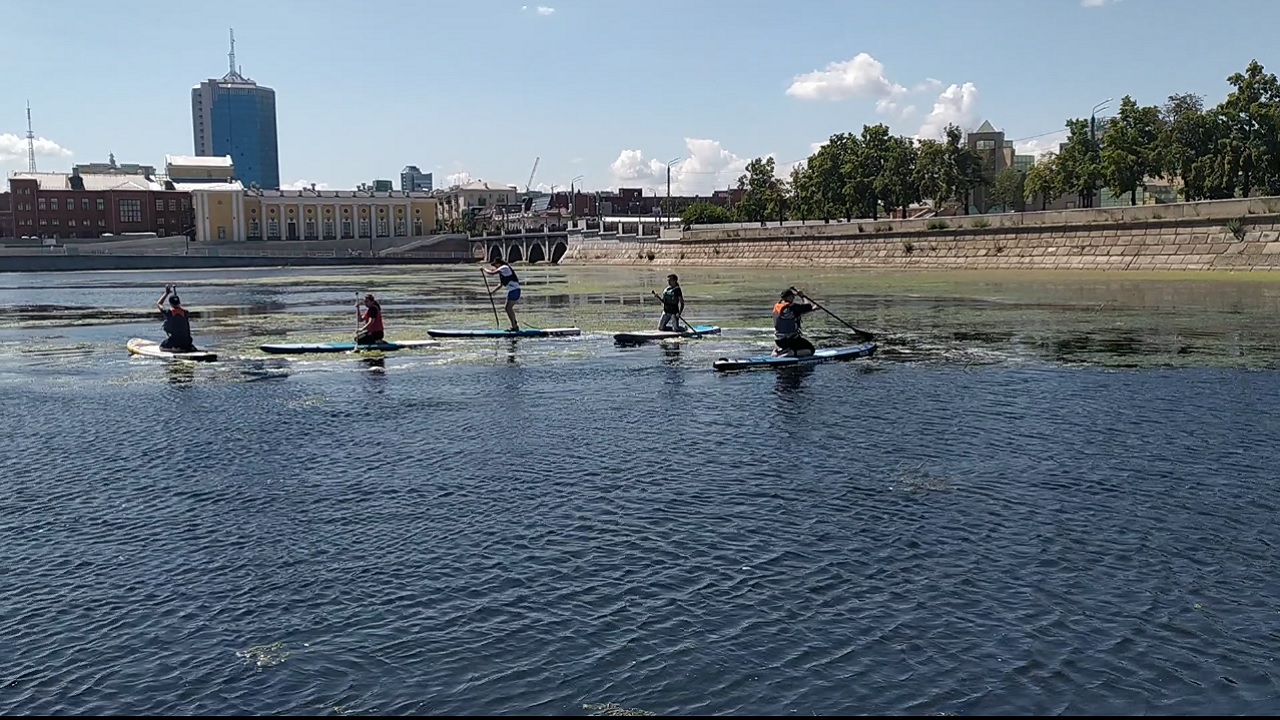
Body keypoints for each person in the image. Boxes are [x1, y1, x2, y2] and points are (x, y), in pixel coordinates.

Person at [772, 288, 816, 357]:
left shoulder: (777, 306)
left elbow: (795, 314)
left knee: (791, 342)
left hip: (779, 341)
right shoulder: (791, 307)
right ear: (788, 297)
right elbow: (808, 306)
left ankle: (777, 351)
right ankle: (791, 353)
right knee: (811, 349)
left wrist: (813, 309)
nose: (793, 298)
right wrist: (802, 296)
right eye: (792, 296)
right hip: (790, 340)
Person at [156, 285, 198, 353]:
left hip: (175, 341)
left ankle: (176, 349)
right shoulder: (186, 312)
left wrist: (166, 293)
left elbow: (159, 304)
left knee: (161, 347)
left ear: (170, 303)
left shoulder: (168, 312)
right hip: (187, 341)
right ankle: (188, 348)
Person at [483, 259, 521, 331]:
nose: (495, 266)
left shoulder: (504, 267)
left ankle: (514, 326)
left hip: (515, 291)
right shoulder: (503, 274)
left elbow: (492, 273)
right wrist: (492, 292)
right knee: (508, 308)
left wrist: (484, 269)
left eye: (495, 265)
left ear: (499, 263)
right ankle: (514, 324)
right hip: (513, 291)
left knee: (508, 308)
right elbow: (500, 285)